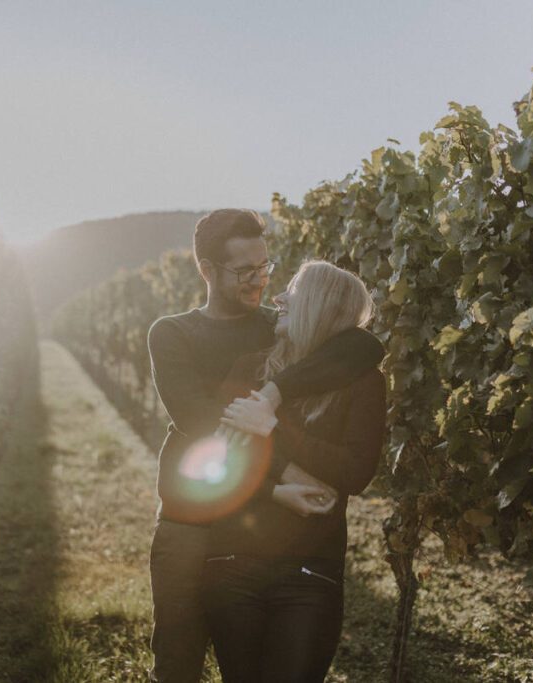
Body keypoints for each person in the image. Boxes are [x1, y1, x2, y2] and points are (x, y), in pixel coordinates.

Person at [146, 210, 385, 683]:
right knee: (177, 662)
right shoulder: (173, 333)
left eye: (265, 267)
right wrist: (282, 480)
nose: (259, 280)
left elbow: (362, 349)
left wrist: (276, 391)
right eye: (244, 271)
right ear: (207, 271)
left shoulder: (276, 328)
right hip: (191, 518)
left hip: (248, 529)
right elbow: (208, 427)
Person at [201, 260, 387, 683]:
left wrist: (271, 429)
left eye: (294, 291)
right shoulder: (248, 370)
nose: (279, 298)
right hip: (233, 562)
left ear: (321, 306)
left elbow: (355, 472)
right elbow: (222, 461)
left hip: (310, 571)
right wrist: (279, 484)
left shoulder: (363, 383)